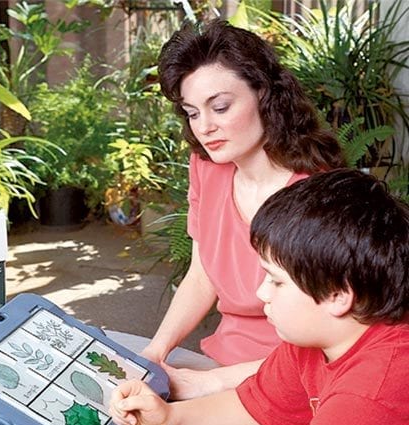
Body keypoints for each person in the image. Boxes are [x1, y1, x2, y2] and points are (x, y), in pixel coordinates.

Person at [110, 169, 409, 425]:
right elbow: (255, 406)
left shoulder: (372, 395)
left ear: (339, 295)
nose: (261, 294)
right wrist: (170, 421)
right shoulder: (324, 337)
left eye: (275, 280)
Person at [109, 19, 346, 400]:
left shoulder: (316, 193)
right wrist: (155, 351)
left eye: (219, 107)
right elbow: (202, 277)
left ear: (265, 95)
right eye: (192, 112)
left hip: (294, 380)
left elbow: (332, 343)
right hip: (219, 363)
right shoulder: (207, 167)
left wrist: (211, 383)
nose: (205, 127)